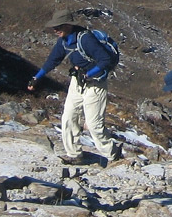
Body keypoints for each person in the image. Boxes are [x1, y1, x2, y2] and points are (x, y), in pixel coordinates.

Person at [28, 9, 121, 164]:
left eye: (58, 26)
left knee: (93, 124)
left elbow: (105, 60)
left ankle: (113, 155)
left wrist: (88, 75)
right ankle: (74, 155)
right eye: (54, 27)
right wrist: (36, 78)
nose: (55, 30)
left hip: (95, 83)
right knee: (69, 117)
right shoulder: (63, 41)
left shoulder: (85, 39)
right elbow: (53, 60)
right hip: (77, 82)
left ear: (68, 25)